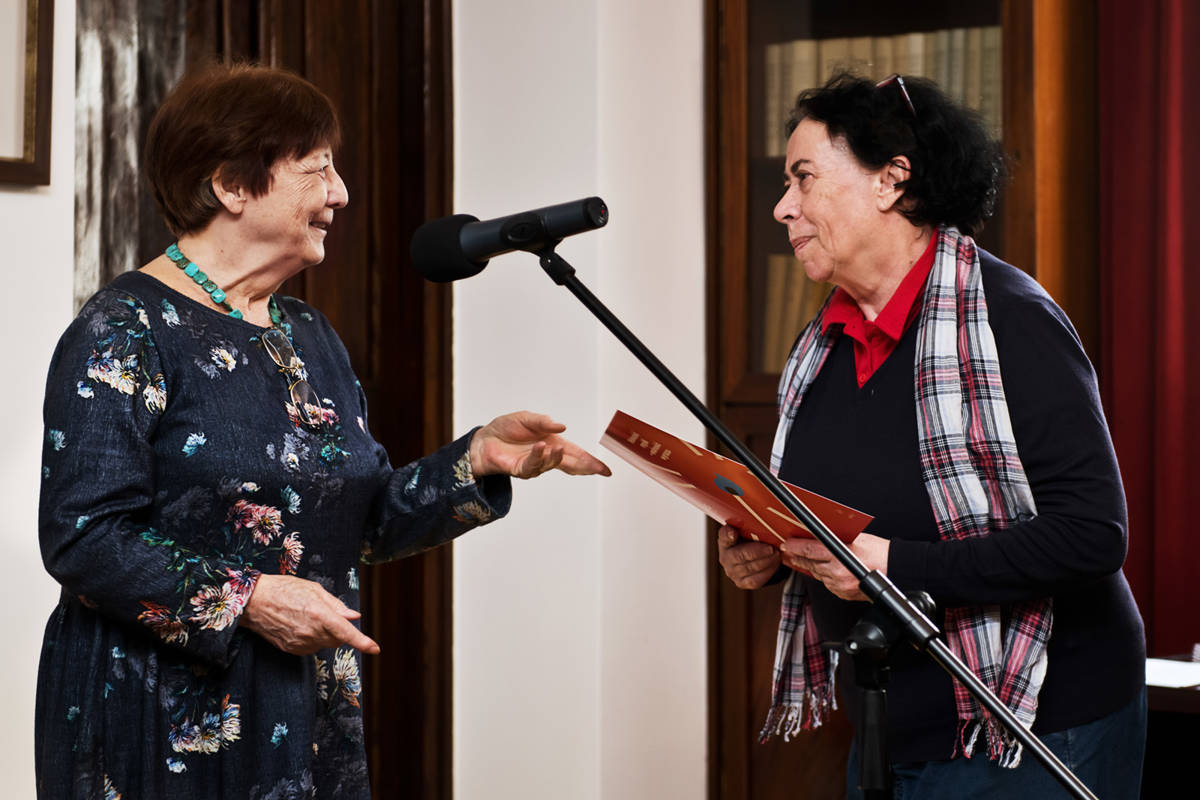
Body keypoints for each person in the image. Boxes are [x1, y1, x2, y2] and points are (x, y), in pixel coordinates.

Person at [36, 63, 610, 799]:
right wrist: (249, 599)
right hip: (156, 722)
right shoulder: (122, 329)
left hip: (303, 712)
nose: (339, 193)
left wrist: (476, 461)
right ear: (232, 185)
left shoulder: (309, 334)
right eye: (317, 169)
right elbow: (82, 535)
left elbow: (354, 524)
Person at [717, 73, 1146, 799]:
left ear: (891, 181)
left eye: (804, 178)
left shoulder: (1013, 319)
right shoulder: (820, 344)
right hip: (892, 727)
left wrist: (894, 567)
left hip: (1037, 720)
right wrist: (772, 551)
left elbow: (1093, 535)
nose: (783, 206)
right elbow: (856, 516)